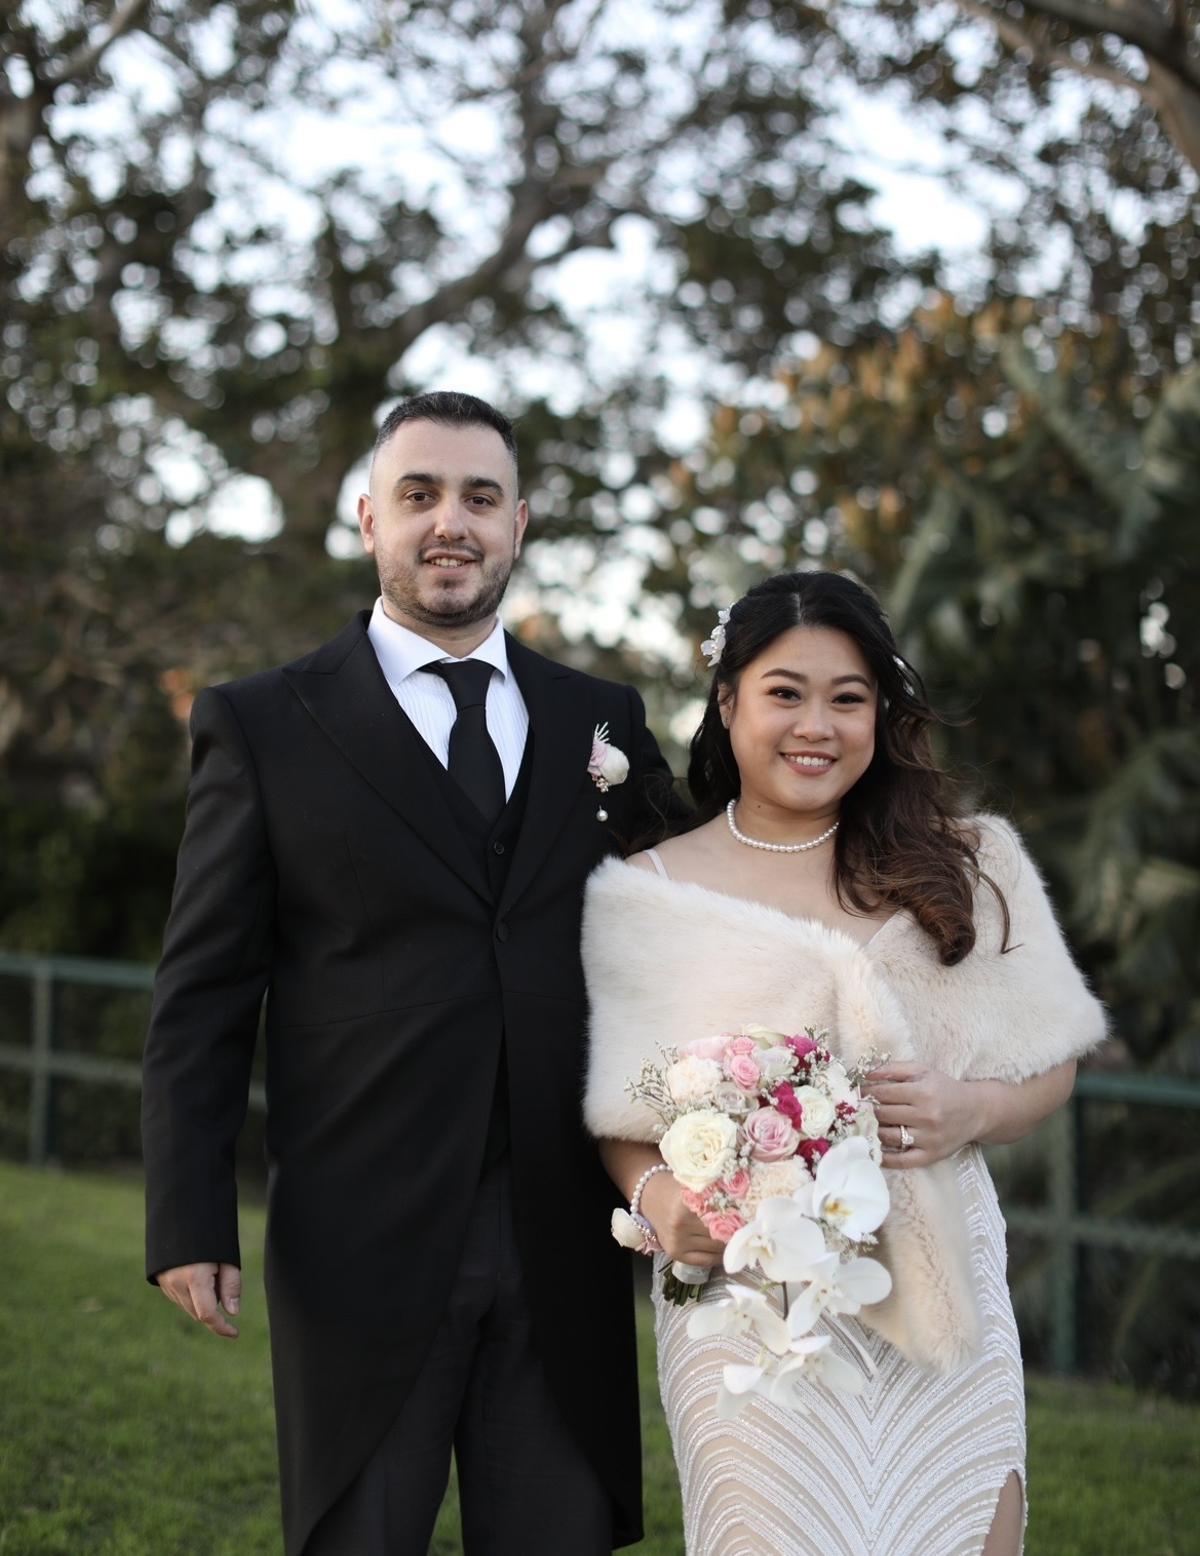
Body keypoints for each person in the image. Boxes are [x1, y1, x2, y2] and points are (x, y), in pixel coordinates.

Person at [142, 391, 675, 1556]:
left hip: (570, 1230)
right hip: (360, 1236)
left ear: (519, 522)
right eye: (421, 494)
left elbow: (691, 916)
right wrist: (190, 1212)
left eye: (480, 496)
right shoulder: (263, 723)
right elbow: (205, 990)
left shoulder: (604, 717)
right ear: (368, 516)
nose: (451, 521)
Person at [580, 570, 1108, 1556]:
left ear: (883, 712)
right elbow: (621, 1107)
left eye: (848, 696)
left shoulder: (967, 863)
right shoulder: (645, 891)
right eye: (786, 690)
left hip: (949, 1306)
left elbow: (1055, 1062)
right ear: (728, 698)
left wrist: (968, 1109)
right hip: (755, 1322)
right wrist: (657, 1198)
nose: (815, 723)